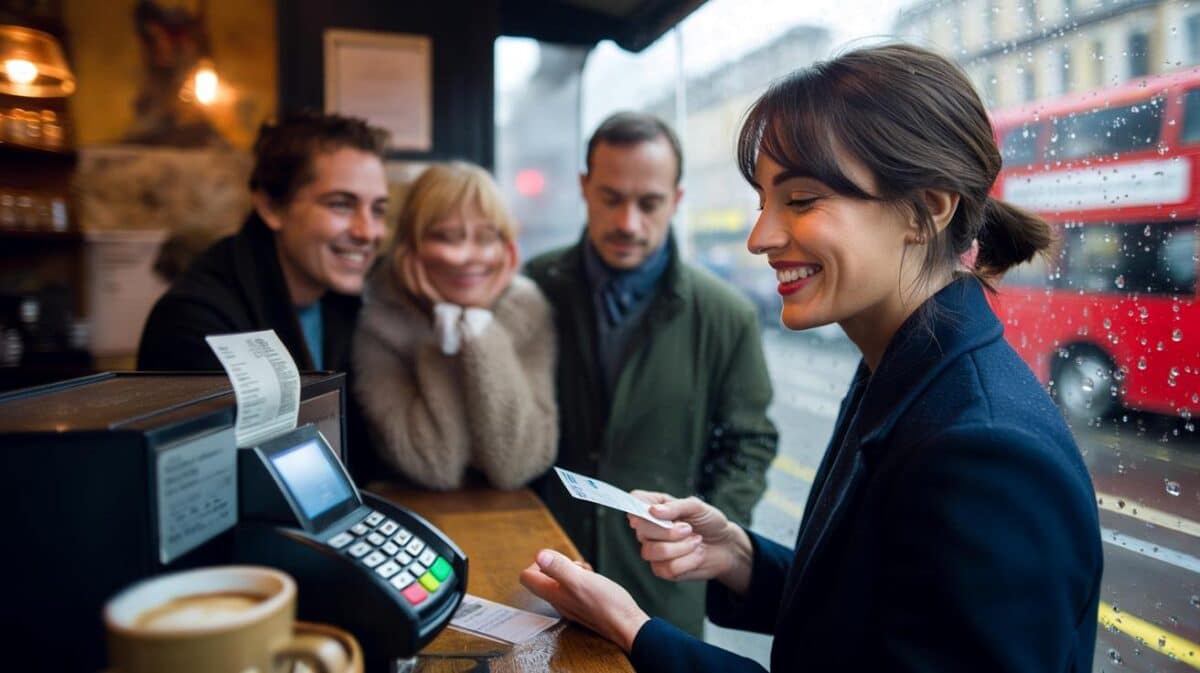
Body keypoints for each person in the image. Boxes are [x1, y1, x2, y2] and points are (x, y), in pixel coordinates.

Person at [520, 44, 1103, 672]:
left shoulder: (984, 453)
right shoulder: (907, 370)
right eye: (763, 201)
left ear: (928, 208)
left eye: (800, 201)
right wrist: (741, 559)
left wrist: (636, 631)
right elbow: (877, 614)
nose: (759, 237)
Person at [525, 112, 778, 636]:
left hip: (663, 593)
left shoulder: (726, 315)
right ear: (583, 188)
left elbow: (749, 442)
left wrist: (703, 536)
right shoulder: (533, 287)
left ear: (677, 200)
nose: (628, 223)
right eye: (611, 198)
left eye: (649, 203)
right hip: (544, 573)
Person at [352, 161, 557, 490]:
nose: (467, 256)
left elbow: (517, 464)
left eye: (487, 237)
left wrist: (479, 332)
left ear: (507, 248)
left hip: (518, 521)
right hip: (410, 519)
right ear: (410, 247)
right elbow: (436, 465)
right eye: (446, 237)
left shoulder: (526, 309)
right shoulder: (378, 319)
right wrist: (444, 332)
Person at [138, 111, 389, 372]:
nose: (368, 232)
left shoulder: (351, 302)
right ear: (271, 207)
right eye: (341, 205)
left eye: (378, 210)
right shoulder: (196, 322)